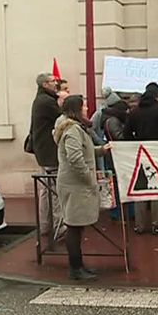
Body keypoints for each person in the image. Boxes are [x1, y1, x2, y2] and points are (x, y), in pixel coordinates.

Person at [53, 95, 111, 280]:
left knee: (77, 226)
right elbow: (75, 157)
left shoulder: (76, 129)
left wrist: (101, 150)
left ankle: (79, 266)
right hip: (75, 185)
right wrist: (89, 177)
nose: (87, 108)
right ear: (76, 109)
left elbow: (84, 150)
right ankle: (75, 268)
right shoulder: (73, 130)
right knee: (74, 226)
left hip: (76, 184)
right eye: (84, 106)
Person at [124, 82, 158, 235]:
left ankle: (140, 225)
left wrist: (135, 145)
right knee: (157, 188)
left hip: (140, 153)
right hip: (157, 154)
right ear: (157, 95)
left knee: (140, 188)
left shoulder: (135, 112)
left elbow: (126, 133)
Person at [30, 72, 65, 237]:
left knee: (45, 189)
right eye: (52, 81)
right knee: (55, 189)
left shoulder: (41, 99)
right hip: (50, 151)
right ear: (44, 84)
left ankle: (45, 225)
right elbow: (63, 118)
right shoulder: (46, 102)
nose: (55, 83)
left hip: (43, 151)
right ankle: (59, 227)